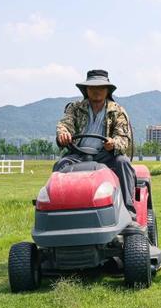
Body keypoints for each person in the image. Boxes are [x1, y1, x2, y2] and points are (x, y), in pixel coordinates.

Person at [54, 69, 137, 218]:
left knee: (123, 162)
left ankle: (129, 210)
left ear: (107, 90)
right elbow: (65, 125)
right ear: (86, 90)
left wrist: (114, 143)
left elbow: (123, 138)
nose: (96, 91)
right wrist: (64, 134)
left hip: (105, 155)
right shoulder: (75, 108)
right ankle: (58, 210)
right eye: (92, 87)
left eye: (100, 87)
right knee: (61, 165)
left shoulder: (117, 111)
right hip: (78, 154)